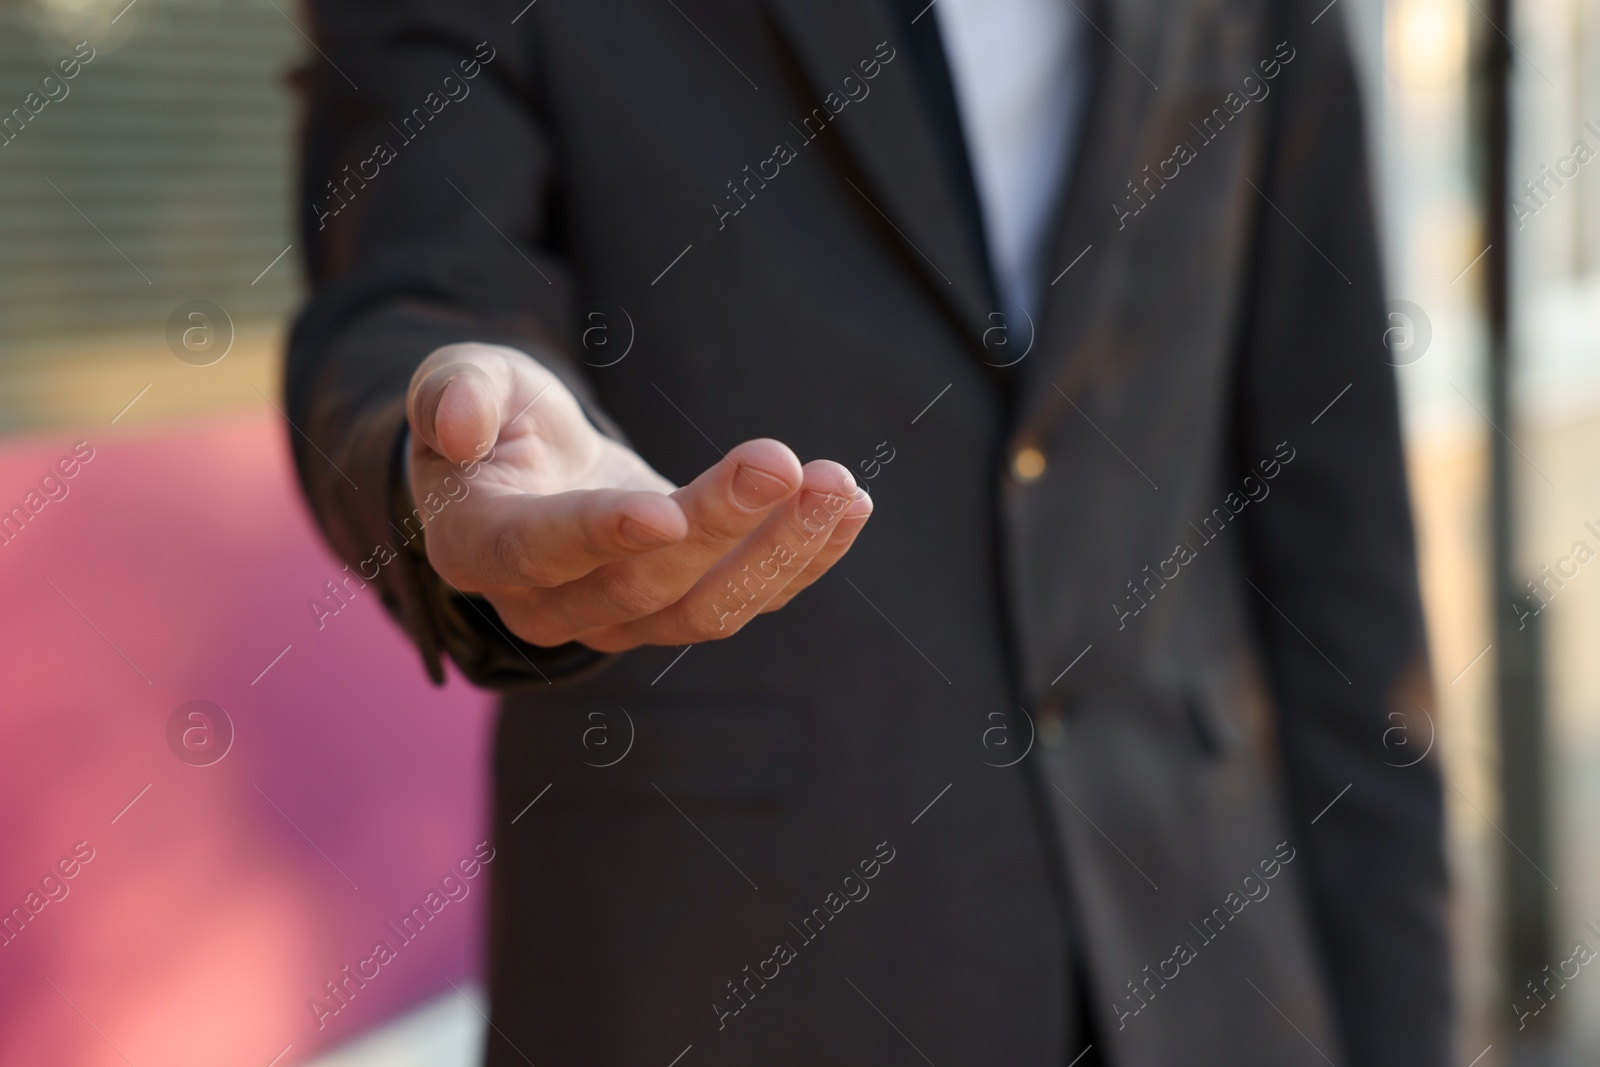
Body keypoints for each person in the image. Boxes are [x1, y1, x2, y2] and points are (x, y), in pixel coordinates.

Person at [287, 0, 1451, 1063]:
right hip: (731, 969)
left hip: (1210, 968)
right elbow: (412, 289)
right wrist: (451, 442)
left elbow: (1336, 529)